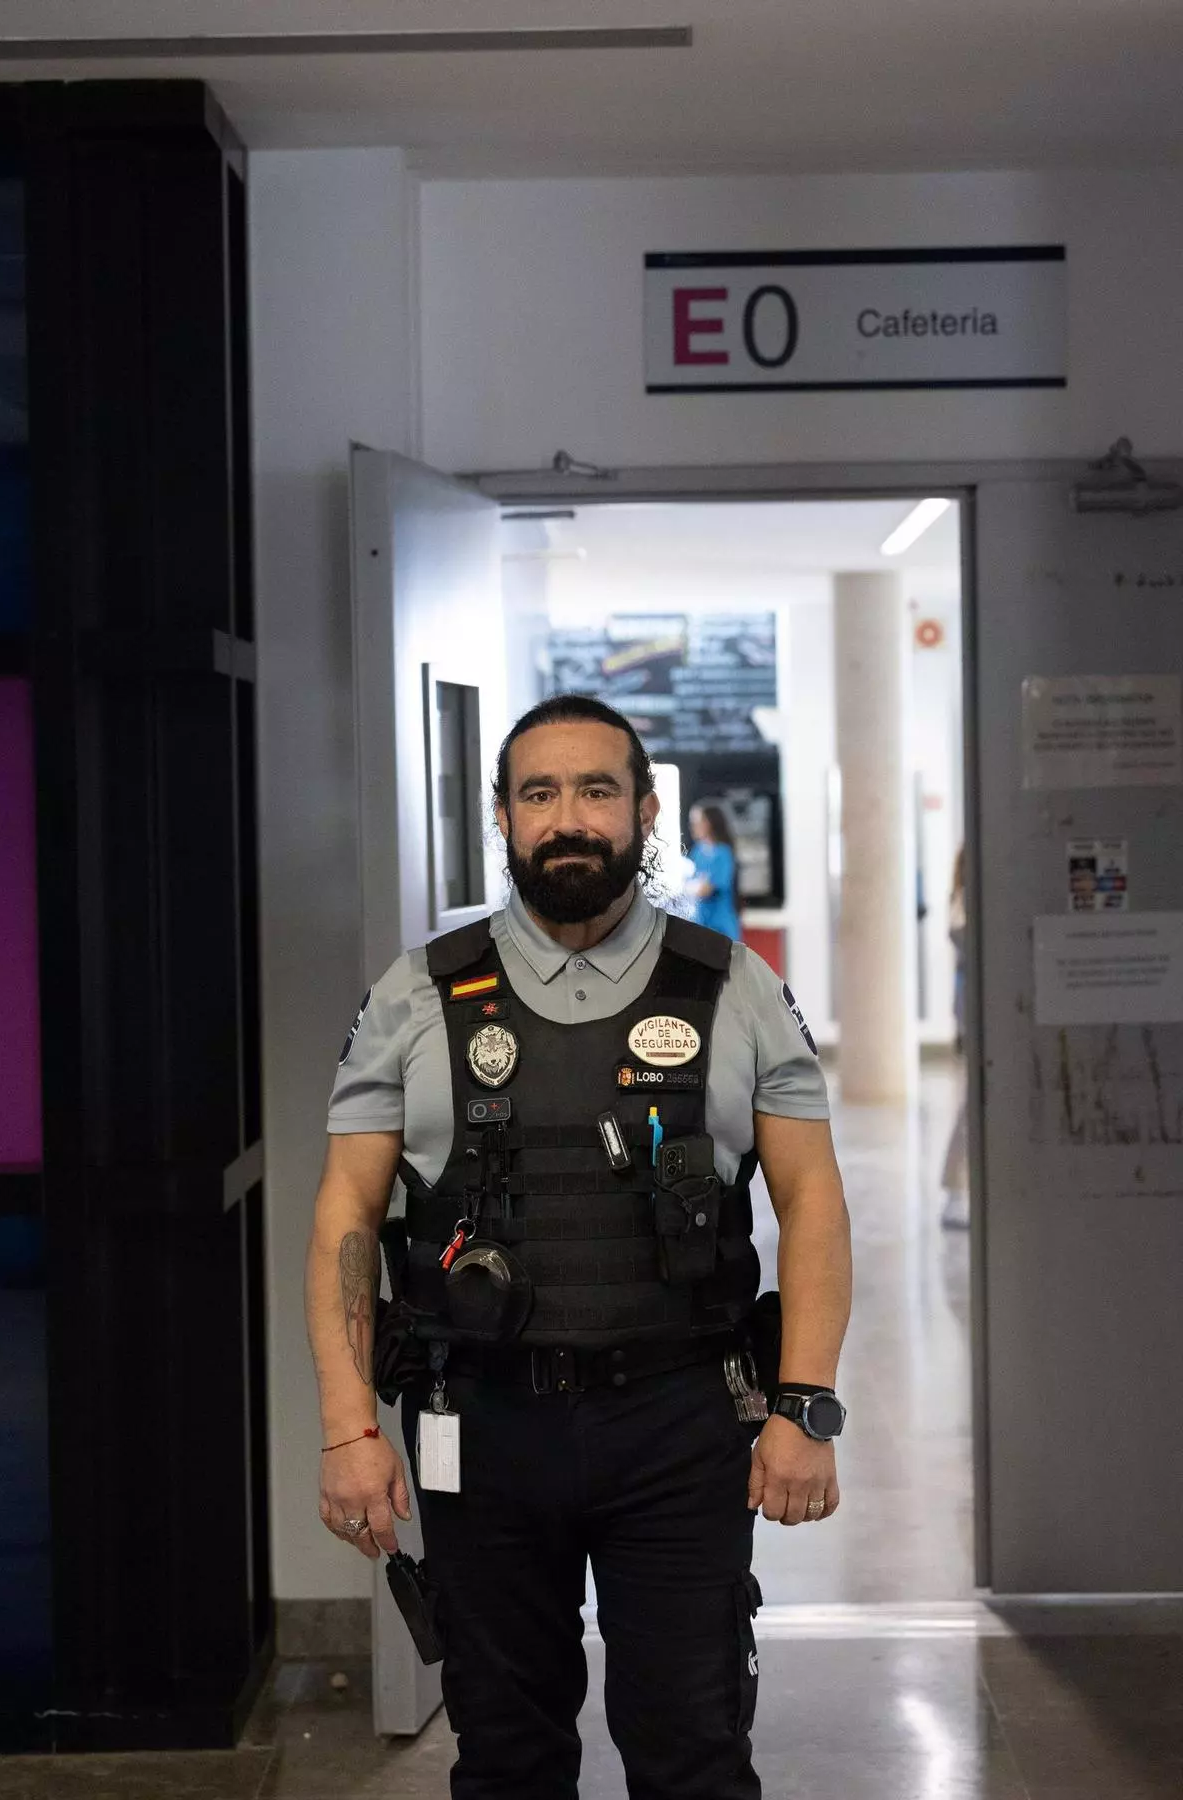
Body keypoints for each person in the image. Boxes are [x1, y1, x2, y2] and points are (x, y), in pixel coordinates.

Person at [306, 694, 852, 1800]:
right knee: (506, 1757)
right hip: (481, 1427)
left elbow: (814, 1206)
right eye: (540, 794)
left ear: (645, 812)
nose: (568, 818)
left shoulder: (735, 988)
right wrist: (347, 1427)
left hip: (680, 1424)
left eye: (598, 790)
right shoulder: (416, 996)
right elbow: (345, 1220)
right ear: (503, 817)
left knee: (694, 1752)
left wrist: (804, 1408)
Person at [940, 846, 969, 1230]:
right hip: (973, 1006)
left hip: (973, 1003)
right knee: (973, 1104)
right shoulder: (963, 899)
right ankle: (955, 1189)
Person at [686, 802, 743, 941]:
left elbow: (706, 890)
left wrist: (693, 887)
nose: (693, 826)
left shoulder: (723, 853)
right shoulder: (697, 852)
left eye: (697, 822)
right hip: (702, 925)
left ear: (709, 823)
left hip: (721, 928)